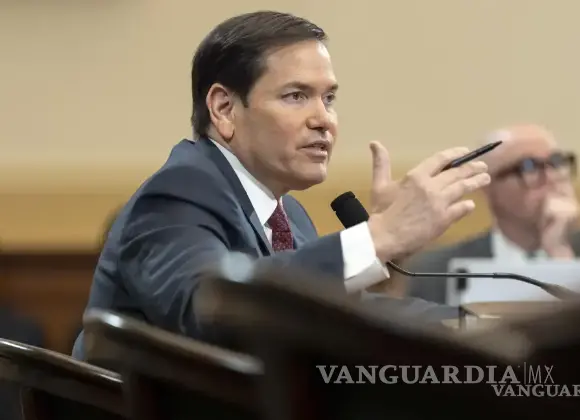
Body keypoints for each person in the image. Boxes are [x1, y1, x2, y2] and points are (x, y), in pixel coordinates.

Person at [72, 11, 490, 359]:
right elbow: (211, 308)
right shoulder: (179, 192)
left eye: (329, 98)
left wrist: (475, 328)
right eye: (296, 96)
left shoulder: (289, 215)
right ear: (223, 109)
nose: (323, 119)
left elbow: (349, 314)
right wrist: (379, 237)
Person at [404, 124, 580, 304]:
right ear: (488, 186)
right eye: (529, 167)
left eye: (557, 162)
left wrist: (559, 253)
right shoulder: (437, 271)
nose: (551, 178)